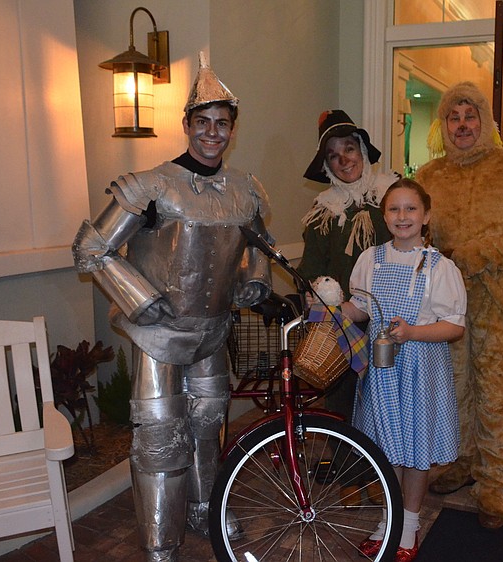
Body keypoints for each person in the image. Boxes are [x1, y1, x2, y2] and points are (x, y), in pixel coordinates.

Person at [72, 53, 272, 561]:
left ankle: (205, 509)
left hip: (212, 331)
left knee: (208, 426)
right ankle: (160, 544)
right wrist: (140, 299)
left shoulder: (245, 188)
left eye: (221, 123)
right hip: (158, 336)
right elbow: (91, 247)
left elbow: (258, 244)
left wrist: (254, 279)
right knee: (160, 438)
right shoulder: (151, 185)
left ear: (232, 130)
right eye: (202, 122)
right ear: (186, 125)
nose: (212, 133)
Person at [415, 81, 503, 530]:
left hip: (501, 304)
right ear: (443, 124)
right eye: (453, 117)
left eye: (470, 116)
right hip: (447, 306)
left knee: (498, 393)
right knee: (454, 388)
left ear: (485, 121)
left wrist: (482, 252)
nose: (462, 126)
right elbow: (417, 233)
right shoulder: (429, 176)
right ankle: (461, 461)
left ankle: (494, 481)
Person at [340, 178, 467, 562]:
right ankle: (390, 518)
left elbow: (454, 326)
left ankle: (408, 525)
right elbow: (360, 308)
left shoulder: (439, 267)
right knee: (387, 450)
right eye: (394, 209)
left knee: (415, 450)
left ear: (426, 216)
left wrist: (412, 332)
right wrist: (329, 306)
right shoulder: (371, 260)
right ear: (384, 216)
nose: (402, 216)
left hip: (420, 370)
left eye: (411, 208)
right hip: (381, 371)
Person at [297, 109, 397, 505]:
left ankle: (383, 473)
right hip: (344, 323)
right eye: (334, 155)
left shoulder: (391, 196)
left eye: (350, 149)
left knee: (386, 399)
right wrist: (319, 294)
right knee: (342, 400)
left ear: (363, 151)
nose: (345, 160)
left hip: (389, 317)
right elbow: (311, 268)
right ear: (327, 165)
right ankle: (351, 476)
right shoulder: (323, 211)